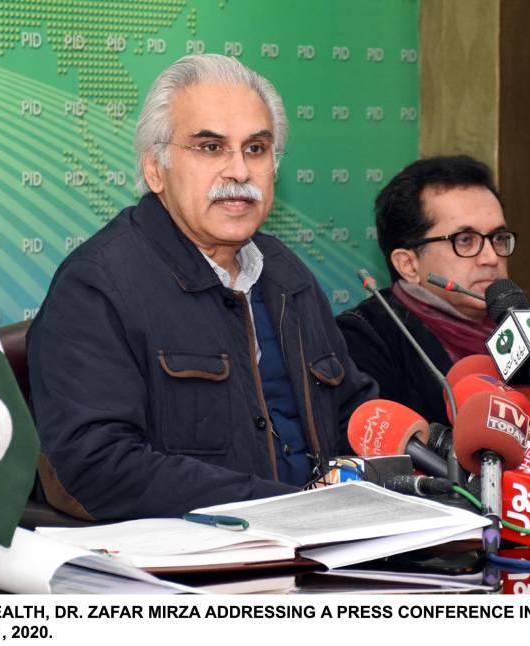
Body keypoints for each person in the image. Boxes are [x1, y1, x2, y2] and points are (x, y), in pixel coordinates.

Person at [27, 54, 376, 521]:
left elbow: (353, 412)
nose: (239, 171)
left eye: (256, 149)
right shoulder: (98, 284)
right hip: (200, 568)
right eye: (211, 148)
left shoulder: (285, 272)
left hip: (329, 545)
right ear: (156, 169)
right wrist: (278, 509)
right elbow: (97, 467)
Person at [336, 155, 515, 425]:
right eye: (465, 240)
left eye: (498, 238)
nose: (490, 257)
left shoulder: (528, 327)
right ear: (408, 264)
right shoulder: (362, 339)